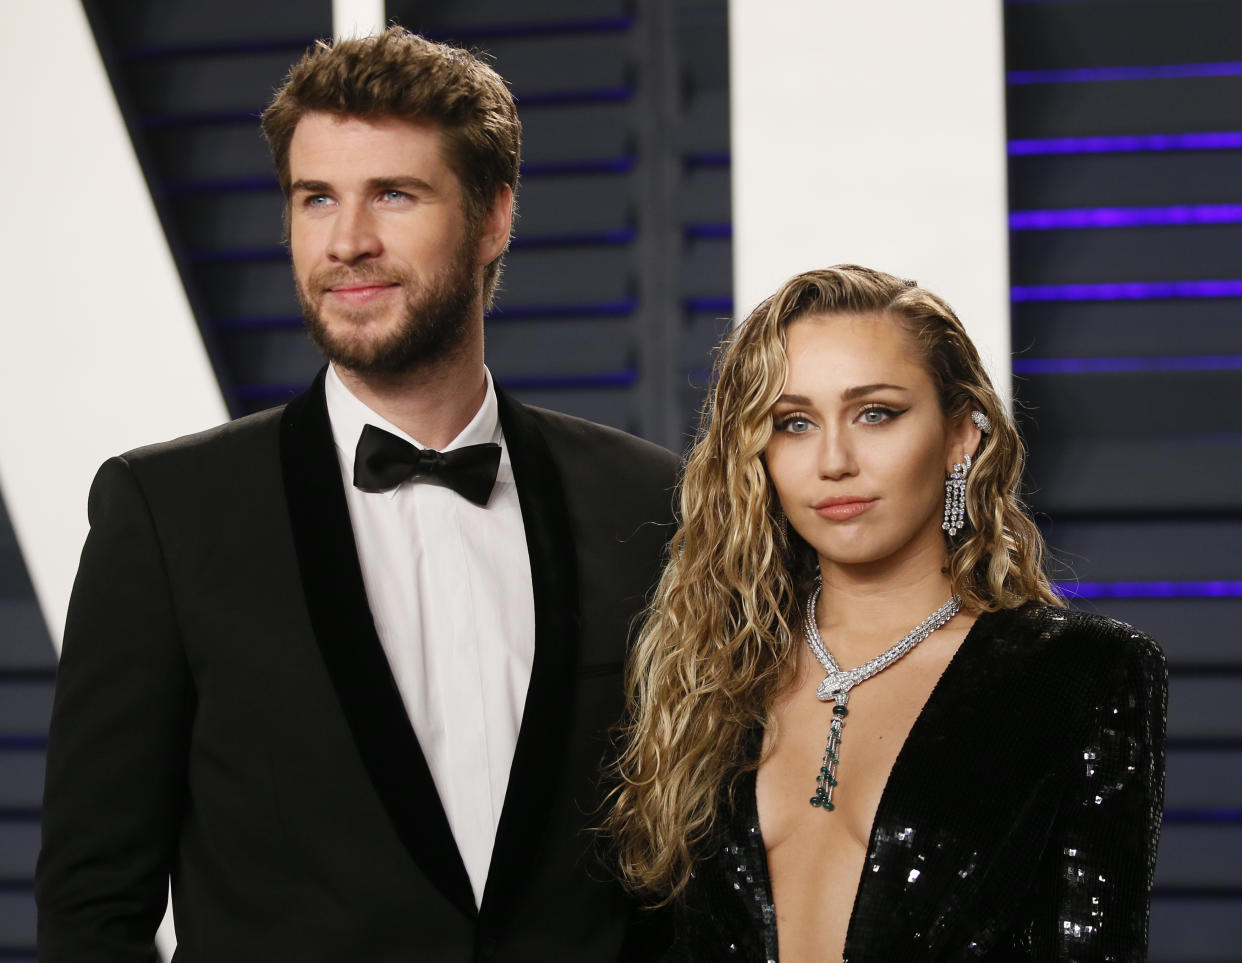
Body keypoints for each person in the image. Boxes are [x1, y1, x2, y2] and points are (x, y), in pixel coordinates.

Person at [37, 28, 679, 962]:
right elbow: (91, 909)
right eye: (316, 199)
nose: (347, 242)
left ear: (494, 218)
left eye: (394, 194)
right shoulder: (165, 514)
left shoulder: (648, 501)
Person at [607, 265, 1166, 961]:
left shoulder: (1077, 674)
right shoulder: (706, 672)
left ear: (964, 434)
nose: (834, 460)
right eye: (794, 423)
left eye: (876, 412)